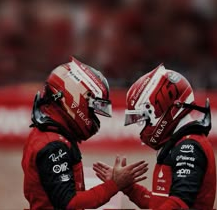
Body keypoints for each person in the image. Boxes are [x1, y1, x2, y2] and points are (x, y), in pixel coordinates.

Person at [22, 56, 148, 210]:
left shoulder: (49, 133)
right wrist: (115, 184)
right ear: (75, 98)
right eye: (92, 109)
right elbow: (70, 204)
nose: (94, 116)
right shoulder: (54, 145)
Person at [93, 64, 217, 210]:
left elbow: (179, 204)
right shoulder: (180, 143)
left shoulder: (189, 147)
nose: (142, 125)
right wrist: (126, 186)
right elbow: (159, 203)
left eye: (144, 117)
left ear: (164, 106)